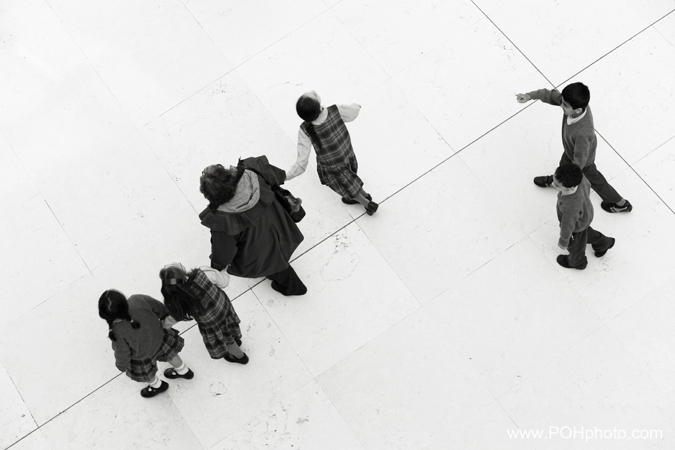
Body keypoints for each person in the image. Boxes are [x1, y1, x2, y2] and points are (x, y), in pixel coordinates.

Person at [516, 82, 632, 213]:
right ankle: (556, 179)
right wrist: (529, 96)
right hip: (571, 150)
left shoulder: (582, 132)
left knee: (596, 181)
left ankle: (620, 203)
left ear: (578, 110)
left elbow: (579, 162)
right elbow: (549, 95)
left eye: (564, 105)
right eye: (562, 102)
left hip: (583, 159)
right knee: (564, 163)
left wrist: (567, 181)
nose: (561, 105)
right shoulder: (573, 104)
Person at [199, 155, 307, 296]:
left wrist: (217, 268)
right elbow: (277, 176)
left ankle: (294, 288)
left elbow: (224, 251)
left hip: (261, 247)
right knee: (278, 254)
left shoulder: (223, 219)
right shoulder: (252, 173)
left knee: (274, 265)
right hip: (278, 223)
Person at [288, 90, 378, 215]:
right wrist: (356, 106)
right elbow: (352, 113)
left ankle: (367, 203)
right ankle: (365, 195)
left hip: (332, 165)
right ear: (319, 106)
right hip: (346, 151)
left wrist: (286, 176)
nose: (313, 92)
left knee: (346, 187)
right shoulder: (336, 110)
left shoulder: (305, 130)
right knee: (350, 178)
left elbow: (301, 162)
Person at [98, 290, 193, 398]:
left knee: (148, 374)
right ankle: (184, 371)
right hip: (159, 337)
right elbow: (159, 307)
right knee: (171, 355)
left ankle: (157, 386)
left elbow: (122, 352)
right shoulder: (137, 299)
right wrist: (165, 317)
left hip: (141, 356)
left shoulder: (116, 331)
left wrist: (121, 365)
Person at [159, 262, 248, 364]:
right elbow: (224, 282)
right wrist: (224, 269)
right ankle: (235, 338)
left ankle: (240, 357)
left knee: (227, 342)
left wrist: (164, 325)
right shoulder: (204, 273)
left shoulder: (179, 302)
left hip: (212, 323)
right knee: (230, 326)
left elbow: (175, 317)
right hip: (224, 307)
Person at [552, 163, 616, 270]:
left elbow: (567, 225)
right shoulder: (580, 178)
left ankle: (577, 263)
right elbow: (588, 185)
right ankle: (603, 243)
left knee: (576, 246)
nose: (553, 185)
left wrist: (564, 240)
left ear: (570, 187)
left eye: (557, 185)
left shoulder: (570, 206)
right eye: (554, 179)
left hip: (577, 226)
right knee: (586, 233)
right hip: (586, 213)